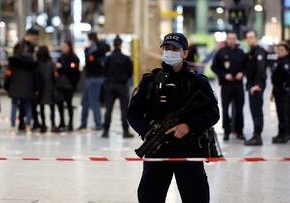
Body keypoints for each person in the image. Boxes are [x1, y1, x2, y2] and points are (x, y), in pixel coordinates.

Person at [127, 33, 219, 203]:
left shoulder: (198, 82)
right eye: (167, 48)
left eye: (175, 49)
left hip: (189, 149)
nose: (170, 52)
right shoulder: (150, 82)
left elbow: (213, 113)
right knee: (149, 198)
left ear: (185, 53)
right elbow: (133, 113)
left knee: (197, 198)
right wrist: (149, 131)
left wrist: (189, 126)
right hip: (157, 150)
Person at [211, 32, 246, 141]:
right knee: (225, 109)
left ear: (236, 40)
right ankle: (226, 131)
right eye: (230, 38)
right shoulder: (221, 52)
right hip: (226, 85)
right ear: (227, 40)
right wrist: (224, 75)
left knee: (239, 109)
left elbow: (247, 66)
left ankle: (239, 131)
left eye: (233, 38)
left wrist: (242, 73)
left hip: (238, 85)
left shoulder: (241, 53)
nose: (232, 40)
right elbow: (214, 67)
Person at [101, 35, 134, 138]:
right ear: (120, 44)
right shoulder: (126, 58)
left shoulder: (108, 58)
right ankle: (125, 131)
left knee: (109, 109)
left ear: (113, 44)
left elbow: (104, 71)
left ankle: (105, 131)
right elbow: (130, 72)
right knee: (124, 109)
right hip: (122, 86)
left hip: (111, 85)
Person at [78, 32, 106, 131]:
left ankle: (98, 124)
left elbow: (90, 60)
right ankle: (83, 124)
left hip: (93, 78)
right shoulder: (102, 48)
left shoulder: (93, 48)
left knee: (94, 101)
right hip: (95, 78)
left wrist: (88, 53)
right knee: (85, 101)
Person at [7, 42, 37, 135]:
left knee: (14, 105)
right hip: (28, 85)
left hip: (15, 84)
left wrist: (6, 86)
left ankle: (12, 127)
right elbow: (34, 74)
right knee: (28, 105)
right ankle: (28, 126)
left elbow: (9, 74)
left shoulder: (13, 59)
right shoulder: (31, 59)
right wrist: (35, 87)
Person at [244, 31, 267, 146]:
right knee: (254, 110)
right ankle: (256, 135)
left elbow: (261, 69)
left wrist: (257, 85)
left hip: (256, 86)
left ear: (256, 38)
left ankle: (257, 136)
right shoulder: (251, 51)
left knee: (257, 111)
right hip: (251, 85)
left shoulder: (259, 51)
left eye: (251, 37)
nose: (249, 39)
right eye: (248, 37)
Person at [19, 28, 41, 131]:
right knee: (24, 102)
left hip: (32, 78)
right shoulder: (22, 46)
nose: (36, 40)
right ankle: (22, 123)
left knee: (33, 101)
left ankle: (34, 121)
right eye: (35, 38)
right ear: (31, 36)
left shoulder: (32, 46)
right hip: (24, 78)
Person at [56, 40, 81, 131]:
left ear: (69, 47)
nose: (63, 49)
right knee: (60, 104)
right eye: (62, 47)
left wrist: (62, 67)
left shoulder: (74, 58)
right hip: (60, 85)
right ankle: (62, 122)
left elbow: (73, 71)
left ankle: (70, 123)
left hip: (69, 85)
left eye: (64, 47)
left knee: (69, 104)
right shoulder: (61, 57)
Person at [35, 45, 60, 133]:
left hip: (41, 88)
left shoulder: (37, 63)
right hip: (50, 88)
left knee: (41, 107)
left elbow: (36, 77)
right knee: (52, 107)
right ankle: (53, 124)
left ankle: (43, 125)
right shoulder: (51, 63)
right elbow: (55, 76)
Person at [271, 42, 290, 143]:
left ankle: (284, 135)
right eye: (279, 50)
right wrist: (273, 92)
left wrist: (286, 87)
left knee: (284, 114)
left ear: (287, 51)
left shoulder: (286, 62)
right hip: (277, 91)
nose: (280, 52)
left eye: (282, 50)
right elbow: (275, 79)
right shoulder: (278, 61)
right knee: (280, 113)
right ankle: (280, 133)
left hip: (283, 93)